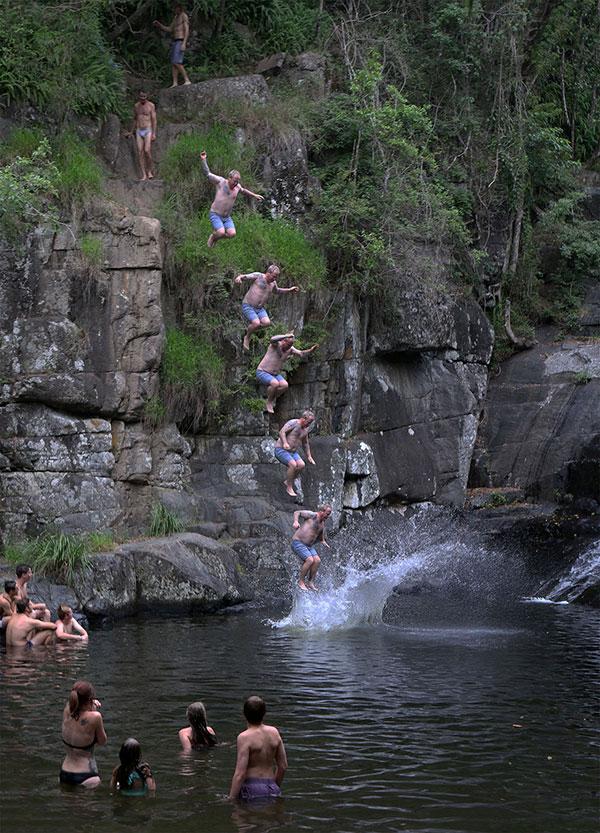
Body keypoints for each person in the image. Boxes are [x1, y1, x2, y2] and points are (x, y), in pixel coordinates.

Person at [200, 151, 264, 248]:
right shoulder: (220, 182)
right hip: (215, 214)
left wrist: (254, 195)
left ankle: (216, 237)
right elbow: (208, 174)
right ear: (229, 178)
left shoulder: (237, 187)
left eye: (237, 181)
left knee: (232, 234)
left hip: (226, 217)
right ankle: (213, 237)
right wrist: (204, 160)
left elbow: (243, 190)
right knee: (221, 232)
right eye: (234, 181)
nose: (236, 183)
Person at [229, 696, 287, 802]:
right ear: (264, 714)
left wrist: (231, 799)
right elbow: (283, 766)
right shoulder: (274, 732)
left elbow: (240, 774)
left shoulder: (244, 737)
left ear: (244, 715)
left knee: (248, 817)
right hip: (272, 787)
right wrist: (274, 786)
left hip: (252, 789)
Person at [234, 265, 299, 350]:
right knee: (256, 323)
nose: (274, 279)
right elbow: (246, 276)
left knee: (266, 323)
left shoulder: (273, 284)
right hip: (248, 306)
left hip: (259, 309)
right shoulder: (258, 276)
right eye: (274, 276)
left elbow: (277, 291)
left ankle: (251, 329)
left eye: (276, 277)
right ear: (268, 273)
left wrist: (290, 290)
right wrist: (239, 277)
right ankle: (247, 337)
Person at [256, 333, 319, 413]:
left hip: (275, 374)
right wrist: (285, 335)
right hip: (262, 372)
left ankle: (271, 397)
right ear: (283, 341)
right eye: (288, 344)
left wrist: (311, 350)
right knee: (275, 384)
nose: (289, 347)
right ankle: (269, 401)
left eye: (291, 345)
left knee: (284, 385)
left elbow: (301, 354)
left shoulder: (290, 349)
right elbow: (272, 339)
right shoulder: (275, 345)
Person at [60, 680, 107, 788]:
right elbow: (102, 741)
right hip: (86, 776)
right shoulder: (95, 717)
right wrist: (94, 710)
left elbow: (78, 709)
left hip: (64, 772)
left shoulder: (67, 710)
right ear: (90, 699)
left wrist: (89, 705)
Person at [292, 504, 332, 591]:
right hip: (298, 542)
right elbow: (297, 512)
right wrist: (296, 521)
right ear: (322, 511)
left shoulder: (322, 522)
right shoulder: (312, 515)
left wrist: (323, 540)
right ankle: (301, 582)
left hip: (308, 546)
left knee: (317, 561)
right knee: (310, 560)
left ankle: (310, 582)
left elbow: (320, 531)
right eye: (327, 513)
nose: (328, 516)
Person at [275, 410, 316, 496]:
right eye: (308, 422)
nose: (309, 425)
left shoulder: (305, 429)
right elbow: (282, 432)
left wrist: (309, 455)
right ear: (303, 418)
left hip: (292, 452)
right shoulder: (293, 423)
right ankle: (289, 487)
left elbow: (305, 443)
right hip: (281, 450)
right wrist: (285, 443)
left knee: (301, 465)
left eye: (310, 423)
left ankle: (287, 481)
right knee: (293, 465)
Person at [153, 2, 191, 87]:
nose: (173, 10)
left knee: (177, 61)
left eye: (174, 8)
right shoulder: (175, 17)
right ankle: (175, 82)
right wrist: (159, 25)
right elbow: (170, 29)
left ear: (179, 7)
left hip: (181, 40)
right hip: (175, 41)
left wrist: (184, 43)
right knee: (173, 63)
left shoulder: (184, 16)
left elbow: (187, 30)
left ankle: (187, 79)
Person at [124, 90, 157, 182]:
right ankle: (144, 174)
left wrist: (154, 133)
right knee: (140, 152)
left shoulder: (151, 106)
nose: (143, 98)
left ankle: (149, 171)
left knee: (147, 150)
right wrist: (131, 131)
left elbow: (154, 120)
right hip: (139, 131)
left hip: (148, 130)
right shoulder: (136, 106)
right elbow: (135, 118)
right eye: (141, 96)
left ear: (147, 96)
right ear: (139, 96)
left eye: (144, 96)